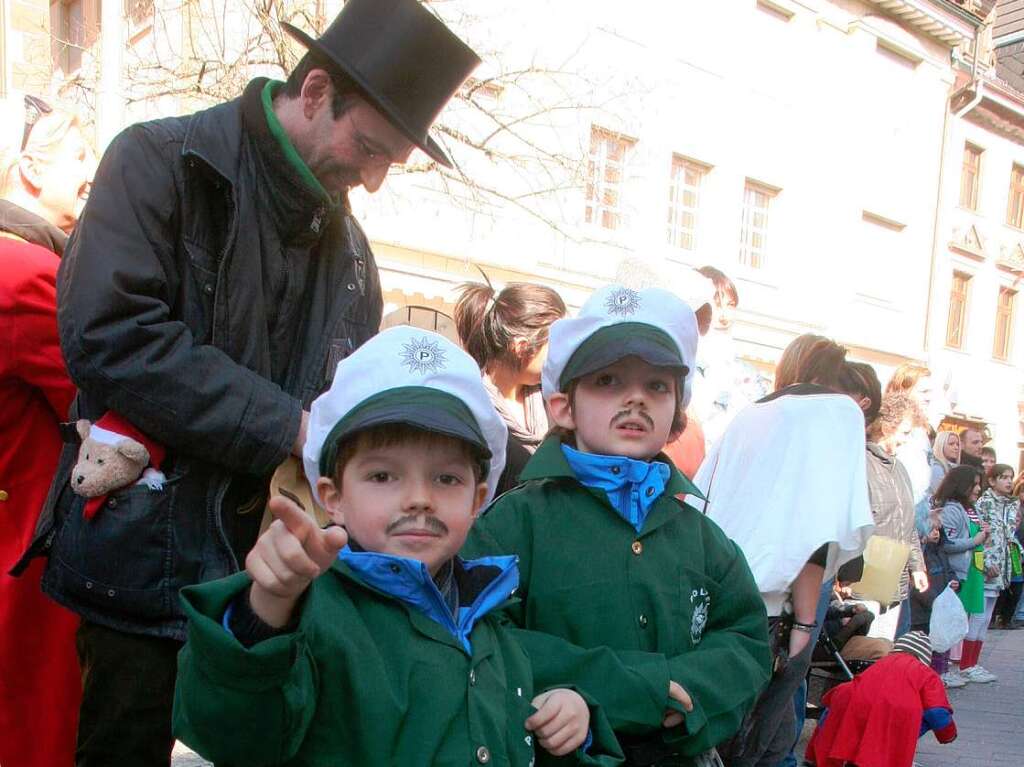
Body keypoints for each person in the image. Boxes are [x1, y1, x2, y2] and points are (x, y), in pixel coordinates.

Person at [14, 2, 483, 764]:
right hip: (142, 578)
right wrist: (291, 425)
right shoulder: (159, 161)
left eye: (388, 162)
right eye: (367, 147)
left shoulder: (354, 256)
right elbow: (109, 336)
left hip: (274, 597)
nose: (370, 178)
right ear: (316, 89)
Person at [173, 326, 623, 765]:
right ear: (332, 498)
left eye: (446, 478)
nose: (419, 498)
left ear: (477, 501)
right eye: (383, 476)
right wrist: (266, 609)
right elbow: (234, 737)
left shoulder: (490, 620)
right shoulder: (312, 612)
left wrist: (572, 717)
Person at [464, 284, 771, 766]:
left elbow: (746, 639)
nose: (635, 399)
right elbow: (478, 631)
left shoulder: (702, 537)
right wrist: (616, 687)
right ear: (563, 405)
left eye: (656, 386)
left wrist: (688, 691)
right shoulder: (516, 521)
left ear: (676, 416)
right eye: (608, 381)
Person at [695, 334, 873, 767]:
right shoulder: (834, 413)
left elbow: (707, 498)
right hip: (779, 609)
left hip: (718, 593)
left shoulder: (750, 413)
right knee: (755, 747)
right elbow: (815, 525)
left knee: (722, 741)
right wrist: (805, 623)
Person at [0, 94, 96, 767]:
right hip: (23, 565)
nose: (94, 170)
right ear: (30, 166)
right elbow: (110, 394)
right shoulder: (28, 274)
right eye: (80, 153)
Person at [453, 279, 566, 495]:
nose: (560, 357)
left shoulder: (555, 401)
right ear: (522, 348)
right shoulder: (471, 408)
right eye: (554, 346)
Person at [804, 631, 956, 767]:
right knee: (916, 716)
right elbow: (937, 712)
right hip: (896, 717)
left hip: (853, 702)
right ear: (924, 658)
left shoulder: (881, 663)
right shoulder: (926, 674)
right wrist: (948, 735)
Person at [936, 465, 990, 685]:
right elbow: (946, 543)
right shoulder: (951, 509)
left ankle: (945, 668)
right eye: (974, 484)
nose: (978, 488)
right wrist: (973, 541)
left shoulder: (966, 509)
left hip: (963, 573)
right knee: (945, 622)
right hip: (950, 574)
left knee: (955, 621)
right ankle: (940, 670)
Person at [976, 465, 1019, 633]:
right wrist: (986, 562)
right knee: (978, 615)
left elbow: (1008, 535)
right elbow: (979, 535)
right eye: (1004, 477)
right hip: (986, 566)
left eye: (1010, 477)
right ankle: (966, 659)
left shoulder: (1010, 505)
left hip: (1002, 567)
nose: (1009, 481)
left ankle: (974, 658)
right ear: (992, 481)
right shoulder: (985, 503)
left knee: (987, 617)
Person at [929, 431, 960, 496]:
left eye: (958, 444)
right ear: (941, 445)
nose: (956, 447)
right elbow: (941, 494)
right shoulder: (936, 467)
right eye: (951, 444)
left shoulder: (955, 468)